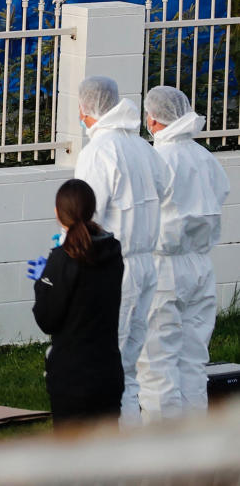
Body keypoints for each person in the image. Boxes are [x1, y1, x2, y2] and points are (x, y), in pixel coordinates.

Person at [73, 75, 172, 423]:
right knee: (128, 368)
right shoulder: (142, 146)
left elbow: (84, 215)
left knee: (104, 365)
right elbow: (163, 189)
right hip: (145, 265)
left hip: (112, 268)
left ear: (87, 108)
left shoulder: (98, 152)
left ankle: (109, 457)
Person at [137, 86, 228, 419]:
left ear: (153, 118)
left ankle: (164, 458)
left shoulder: (157, 159)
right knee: (192, 361)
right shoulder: (204, 157)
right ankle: (195, 453)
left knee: (157, 364)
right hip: (201, 267)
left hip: (164, 268)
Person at [28, 179, 125, 429]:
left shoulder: (63, 259)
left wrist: (43, 282)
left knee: (74, 461)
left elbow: (47, 319)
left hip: (73, 378)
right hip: (108, 371)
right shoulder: (113, 251)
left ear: (58, 214)